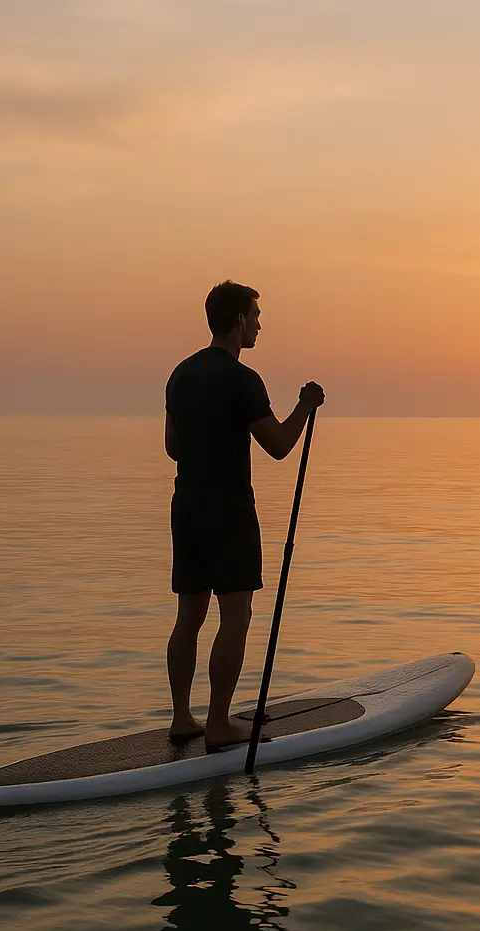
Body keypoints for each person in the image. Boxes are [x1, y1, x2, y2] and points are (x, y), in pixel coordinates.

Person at [164, 281, 325, 749]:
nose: (259, 324)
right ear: (238, 319)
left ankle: (181, 718)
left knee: (189, 615)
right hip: (228, 509)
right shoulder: (242, 379)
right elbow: (278, 445)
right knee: (235, 613)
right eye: (255, 315)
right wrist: (305, 406)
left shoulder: (180, 374)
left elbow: (173, 447)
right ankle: (218, 724)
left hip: (186, 504)